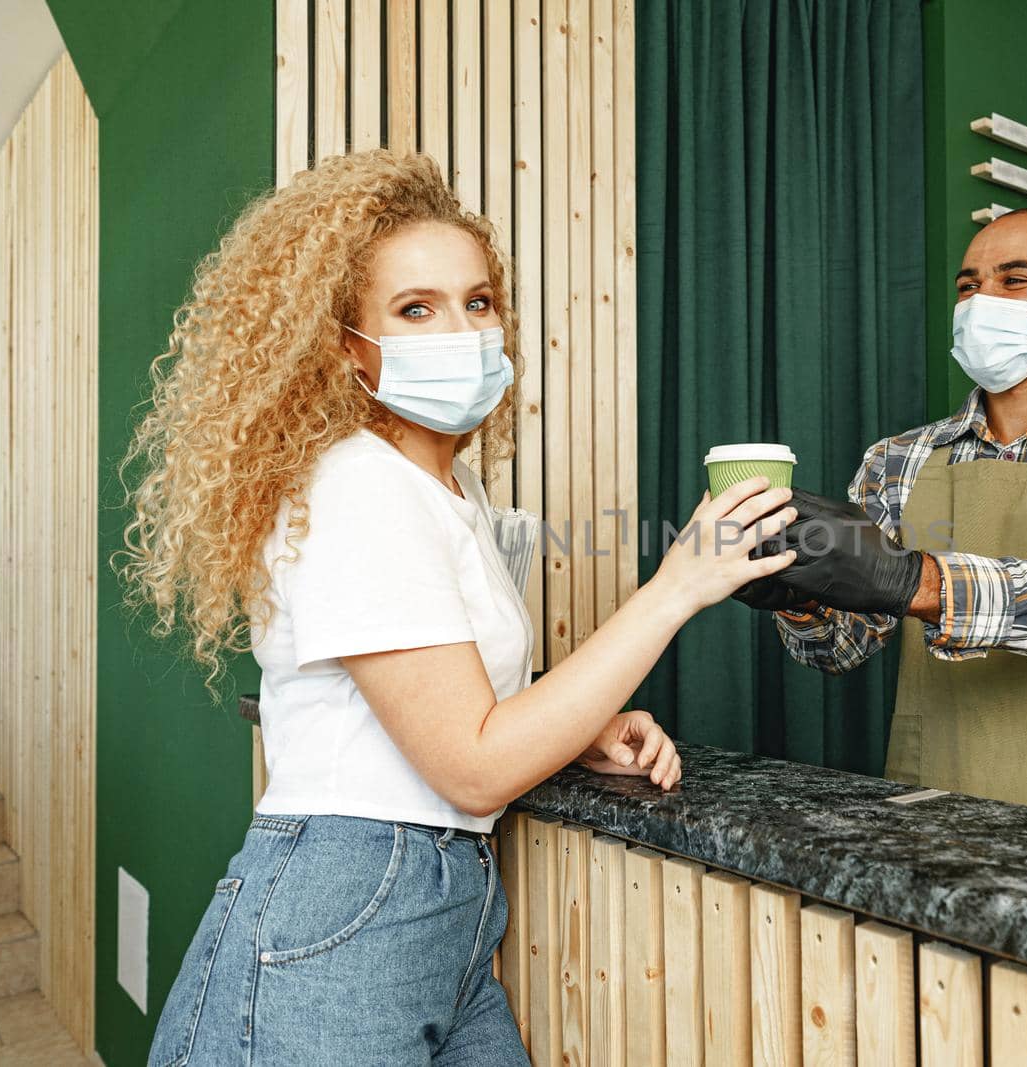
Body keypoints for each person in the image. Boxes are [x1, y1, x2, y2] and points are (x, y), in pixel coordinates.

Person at [117, 150, 796, 1064]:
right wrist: (677, 585)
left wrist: (577, 719)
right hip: (345, 904)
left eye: (477, 302)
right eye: (414, 308)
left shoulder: (452, 491)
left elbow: (458, 703)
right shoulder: (356, 483)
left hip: (448, 913)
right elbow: (472, 767)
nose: (462, 330)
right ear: (346, 345)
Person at [738, 209, 1027, 836]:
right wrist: (798, 597)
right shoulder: (897, 459)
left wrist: (917, 581)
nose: (982, 300)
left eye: (1015, 281)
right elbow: (842, 647)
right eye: (969, 286)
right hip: (934, 812)